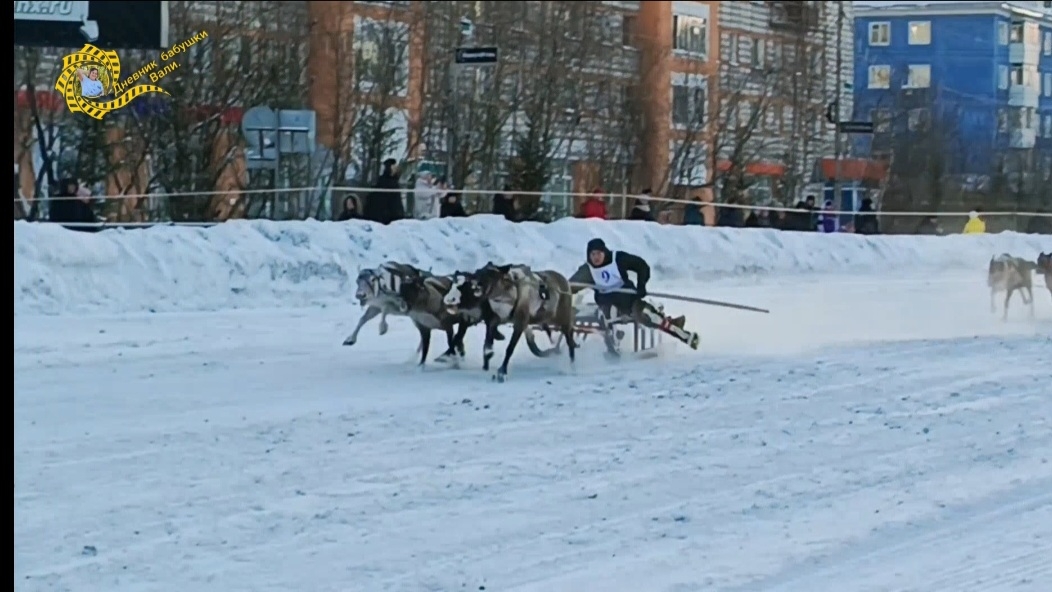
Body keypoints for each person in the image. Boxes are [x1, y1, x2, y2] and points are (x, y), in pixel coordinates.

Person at [569, 238, 699, 350]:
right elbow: (572, 286)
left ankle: (684, 335)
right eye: (592, 254)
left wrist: (641, 284)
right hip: (606, 302)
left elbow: (641, 266)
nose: (596, 258)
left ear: (604, 252)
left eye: (598, 253)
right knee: (606, 314)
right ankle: (612, 345)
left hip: (628, 300)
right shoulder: (587, 270)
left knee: (646, 315)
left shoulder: (617, 258)